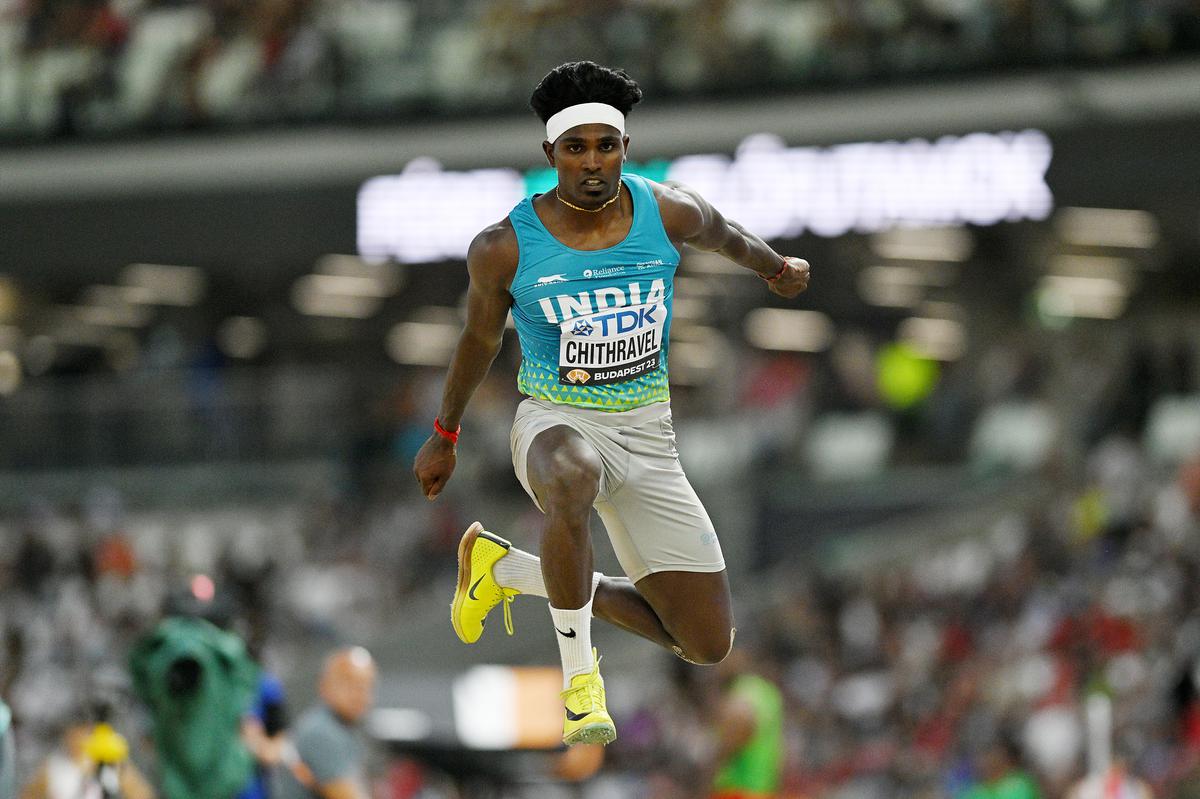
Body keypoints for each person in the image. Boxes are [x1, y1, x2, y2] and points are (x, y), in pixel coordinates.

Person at [412, 60, 811, 746]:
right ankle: (580, 681)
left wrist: (776, 268)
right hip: (555, 422)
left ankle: (503, 569)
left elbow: (727, 234)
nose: (592, 163)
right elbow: (478, 341)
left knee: (706, 641)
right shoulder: (505, 248)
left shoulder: (668, 210)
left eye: (606, 146)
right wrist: (444, 432)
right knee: (574, 477)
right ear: (550, 154)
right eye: (576, 148)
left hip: (649, 437)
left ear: (625, 149)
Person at [274, 647, 376, 799]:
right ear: (325, 685)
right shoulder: (321, 731)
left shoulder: (347, 727)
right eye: (349, 682)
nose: (359, 693)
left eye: (366, 685)